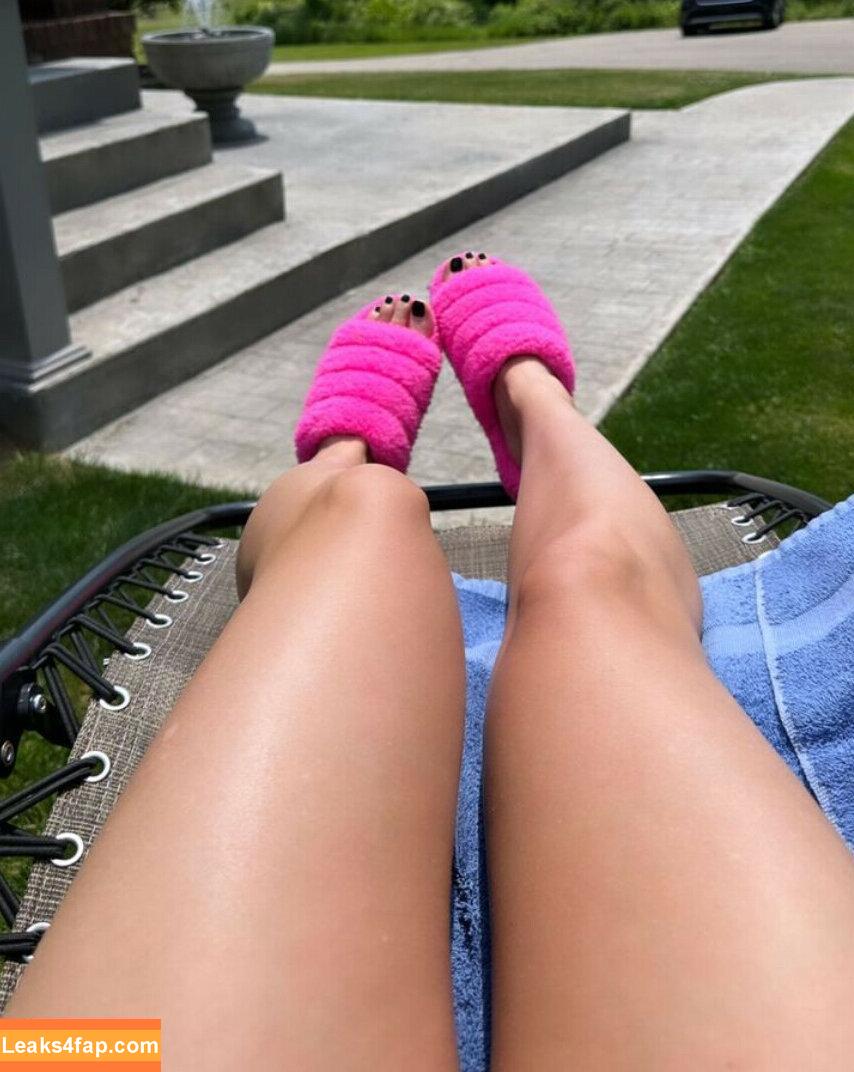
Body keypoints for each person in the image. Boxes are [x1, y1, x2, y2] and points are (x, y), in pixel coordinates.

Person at [9, 253, 854, 1070]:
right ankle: (536, 406)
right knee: (592, 586)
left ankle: (343, 462)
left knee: (360, 517)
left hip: (94, 1059)